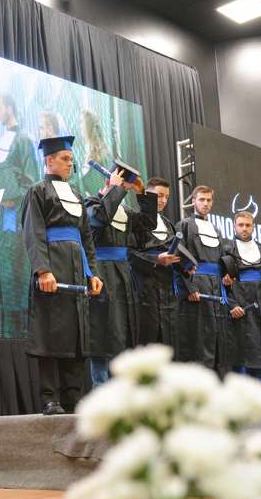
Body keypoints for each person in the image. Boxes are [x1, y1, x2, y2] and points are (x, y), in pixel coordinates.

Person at [21, 136, 103, 415]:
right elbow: (34, 233)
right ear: (50, 160)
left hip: (77, 271)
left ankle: (71, 396)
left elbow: (86, 238)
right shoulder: (37, 191)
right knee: (51, 333)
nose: (71, 163)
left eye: (71, 159)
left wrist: (93, 272)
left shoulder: (77, 194)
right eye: (66, 159)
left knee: (77, 334)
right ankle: (50, 398)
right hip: (52, 271)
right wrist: (43, 270)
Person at [84, 165, 157, 386]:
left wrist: (141, 193)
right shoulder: (91, 204)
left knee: (124, 330)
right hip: (101, 273)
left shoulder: (125, 211)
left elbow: (149, 223)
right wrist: (113, 189)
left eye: (125, 186)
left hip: (124, 275)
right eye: (121, 184)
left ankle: (123, 391)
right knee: (101, 332)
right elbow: (100, 219)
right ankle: (101, 388)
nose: (123, 189)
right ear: (109, 182)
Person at [0, 92, 37, 336]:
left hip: (18, 225)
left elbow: (30, 181)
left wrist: (14, 198)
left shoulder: (22, 140)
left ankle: (22, 336)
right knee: (5, 280)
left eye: (0, 107)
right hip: (2, 222)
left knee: (19, 281)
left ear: (10, 109)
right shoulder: (0, 139)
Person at [221, 212, 261, 380]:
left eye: (248, 225)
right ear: (234, 227)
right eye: (240, 225)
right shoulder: (226, 249)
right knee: (239, 342)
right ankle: (239, 384)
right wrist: (231, 305)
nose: (244, 228)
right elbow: (223, 281)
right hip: (239, 297)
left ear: (253, 227)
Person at [175, 185, 227, 372]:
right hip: (197, 285)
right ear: (193, 202)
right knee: (197, 335)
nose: (205, 203)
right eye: (201, 200)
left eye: (209, 200)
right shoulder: (185, 225)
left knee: (215, 335)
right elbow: (180, 258)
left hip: (215, 286)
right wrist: (190, 288)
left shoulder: (215, 228)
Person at [129, 177, 180, 348]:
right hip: (144, 287)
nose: (164, 200)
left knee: (169, 345)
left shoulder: (169, 225)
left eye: (166, 196)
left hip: (168, 292)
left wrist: (187, 265)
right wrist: (155, 260)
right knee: (146, 342)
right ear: (147, 194)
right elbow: (129, 254)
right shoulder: (135, 221)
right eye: (159, 196)